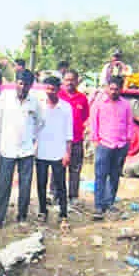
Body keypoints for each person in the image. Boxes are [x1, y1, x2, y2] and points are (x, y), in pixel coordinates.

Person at [0, 70, 42, 227]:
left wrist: (32, 138)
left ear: (31, 85)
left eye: (26, 84)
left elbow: (40, 122)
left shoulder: (34, 102)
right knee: (3, 184)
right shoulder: (4, 99)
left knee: (25, 185)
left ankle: (22, 217)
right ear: (15, 83)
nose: (23, 87)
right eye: (20, 83)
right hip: (7, 148)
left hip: (26, 150)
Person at [89, 75, 134, 219]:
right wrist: (95, 140)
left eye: (116, 89)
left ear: (121, 89)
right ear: (107, 87)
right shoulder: (99, 103)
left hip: (120, 145)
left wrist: (128, 141)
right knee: (100, 176)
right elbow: (93, 122)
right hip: (104, 145)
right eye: (111, 88)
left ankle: (109, 203)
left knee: (114, 176)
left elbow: (129, 123)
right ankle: (98, 206)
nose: (113, 91)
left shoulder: (125, 104)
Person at [35, 76, 73, 223]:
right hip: (41, 152)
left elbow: (69, 133)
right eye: (48, 88)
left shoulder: (65, 107)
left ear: (58, 89)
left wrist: (67, 153)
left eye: (53, 88)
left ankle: (63, 213)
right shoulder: (40, 106)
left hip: (59, 152)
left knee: (61, 184)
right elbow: (34, 129)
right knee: (41, 184)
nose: (50, 91)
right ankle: (42, 211)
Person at [58, 69, 90, 204]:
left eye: (72, 80)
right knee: (58, 168)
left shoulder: (82, 99)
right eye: (67, 80)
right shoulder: (58, 96)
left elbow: (84, 117)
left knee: (75, 169)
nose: (69, 82)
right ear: (63, 81)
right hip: (59, 140)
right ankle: (55, 194)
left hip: (77, 140)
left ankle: (73, 196)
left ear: (77, 81)